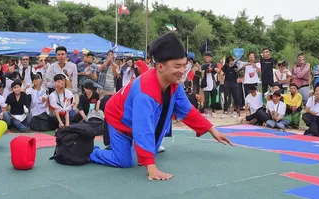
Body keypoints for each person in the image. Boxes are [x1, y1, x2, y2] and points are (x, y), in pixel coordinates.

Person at [89, 32, 232, 181]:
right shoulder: (145, 90)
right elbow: (142, 127)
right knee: (124, 161)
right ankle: (91, 152)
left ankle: (132, 147)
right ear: (160, 66)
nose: (182, 71)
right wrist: (151, 167)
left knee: (151, 143)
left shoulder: (174, 85)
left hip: (136, 117)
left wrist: (212, 130)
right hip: (118, 119)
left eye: (184, 66)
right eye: (177, 66)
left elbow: (187, 110)